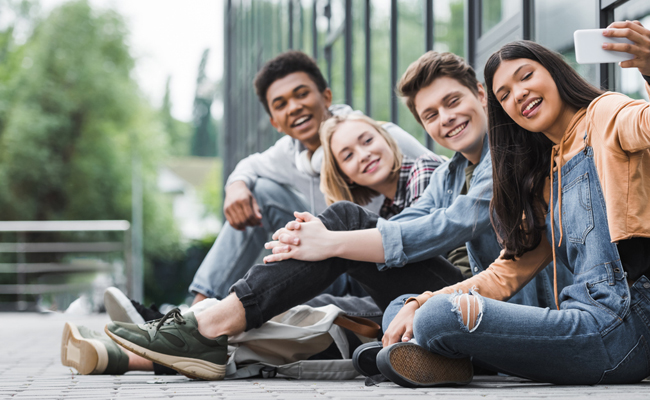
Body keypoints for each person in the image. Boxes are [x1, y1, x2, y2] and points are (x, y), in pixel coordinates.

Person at [102, 51, 557, 381]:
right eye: (432, 114)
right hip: (469, 304)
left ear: (480, 93)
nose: (447, 119)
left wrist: (333, 240)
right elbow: (399, 224)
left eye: (454, 102)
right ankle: (194, 327)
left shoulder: (504, 154)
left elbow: (448, 226)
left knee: (333, 266)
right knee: (332, 243)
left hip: (516, 316)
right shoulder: (456, 169)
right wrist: (317, 237)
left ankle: (200, 325)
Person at [373, 21, 650, 388]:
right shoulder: (544, 176)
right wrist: (420, 300)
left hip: (627, 327)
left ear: (553, 72)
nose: (518, 94)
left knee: (438, 317)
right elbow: (503, 275)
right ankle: (427, 354)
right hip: (581, 322)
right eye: (504, 94)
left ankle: (432, 353)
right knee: (409, 306)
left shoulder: (604, 115)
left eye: (526, 77)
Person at [61, 113, 448, 377]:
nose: (363, 154)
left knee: (341, 223)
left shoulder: (424, 172)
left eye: (368, 140)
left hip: (450, 293)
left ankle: (200, 321)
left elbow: (411, 244)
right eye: (348, 154)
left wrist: (325, 241)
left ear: (390, 137)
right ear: (340, 170)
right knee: (305, 311)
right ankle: (131, 354)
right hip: (407, 298)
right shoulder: (385, 199)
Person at [188, 50, 430, 305]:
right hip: (335, 270)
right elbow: (249, 165)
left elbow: (445, 179)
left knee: (345, 218)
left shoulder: (381, 140)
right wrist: (236, 186)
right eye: (281, 104)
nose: (294, 107)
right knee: (260, 190)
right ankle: (197, 311)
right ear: (275, 123)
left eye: (302, 94)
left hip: (390, 268)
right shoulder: (287, 155)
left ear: (326, 96)